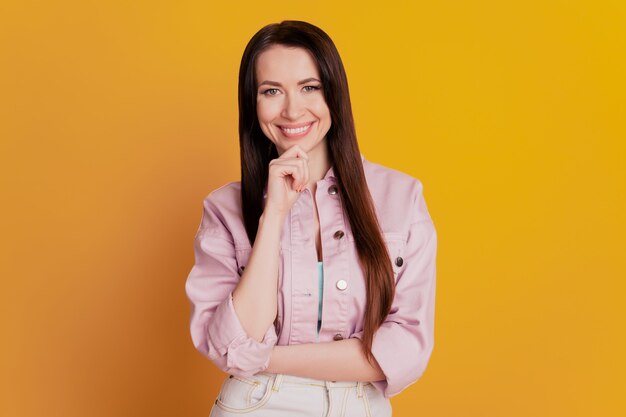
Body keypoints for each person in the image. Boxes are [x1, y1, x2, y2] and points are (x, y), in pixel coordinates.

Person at [185, 20, 437, 417]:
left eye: (309, 87)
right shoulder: (224, 209)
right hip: (254, 406)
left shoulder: (401, 199)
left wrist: (263, 358)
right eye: (271, 91)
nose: (292, 109)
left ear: (334, 94)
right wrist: (274, 214)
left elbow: (405, 351)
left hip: (359, 406)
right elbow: (236, 341)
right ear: (253, 104)